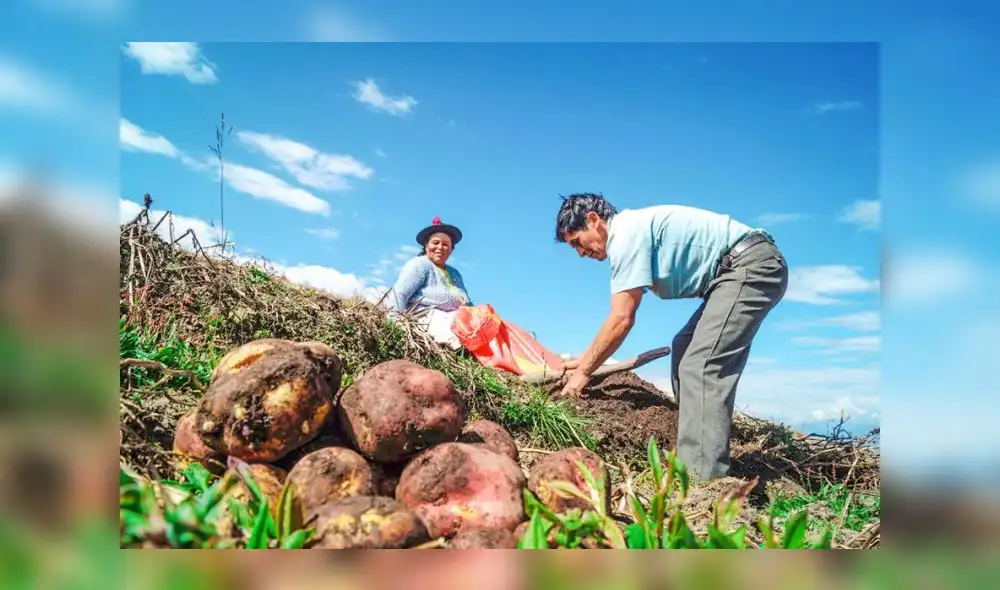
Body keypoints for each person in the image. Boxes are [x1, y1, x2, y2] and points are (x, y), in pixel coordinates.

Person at [551, 192, 788, 482]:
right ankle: (695, 449)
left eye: (577, 241)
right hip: (732, 273)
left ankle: (704, 483)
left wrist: (582, 375)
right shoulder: (631, 231)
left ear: (593, 220)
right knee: (684, 346)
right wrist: (586, 359)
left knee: (701, 365)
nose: (579, 252)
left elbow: (622, 318)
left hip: (750, 266)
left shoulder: (625, 234)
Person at [387, 216, 473, 348]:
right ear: (426, 245)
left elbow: (468, 303)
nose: (440, 247)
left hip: (457, 319)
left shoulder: (455, 273)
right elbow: (399, 294)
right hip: (427, 318)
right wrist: (396, 324)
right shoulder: (419, 265)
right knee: (459, 340)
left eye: (445, 244)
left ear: (451, 249)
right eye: (435, 243)